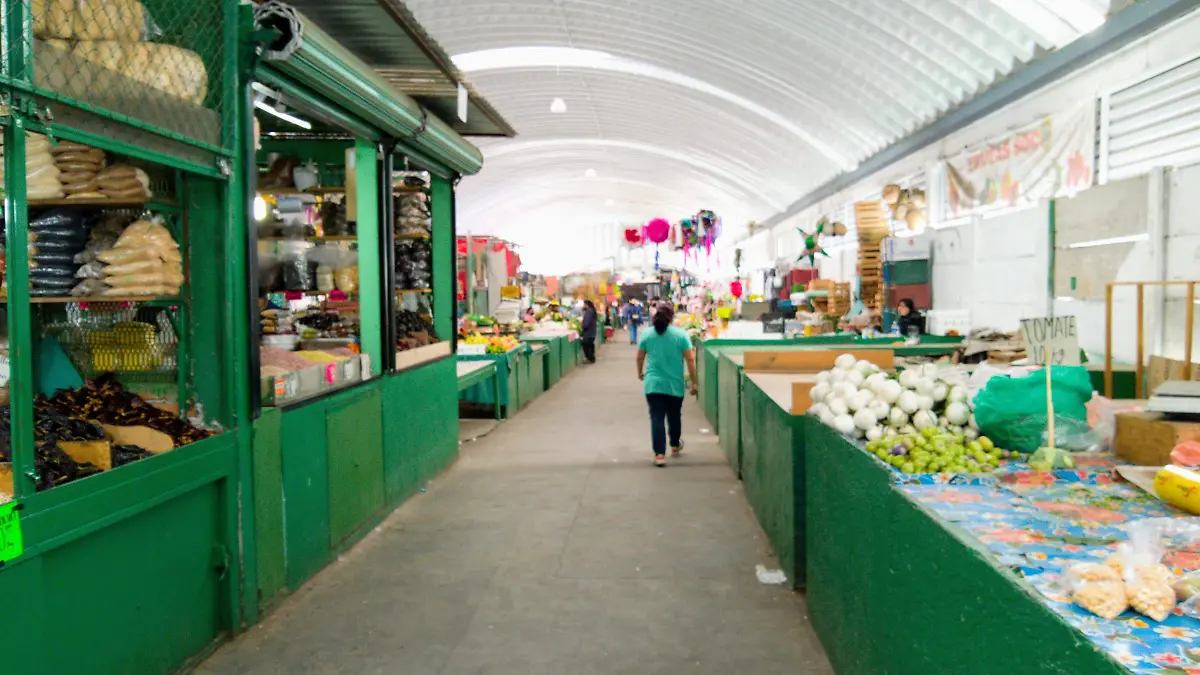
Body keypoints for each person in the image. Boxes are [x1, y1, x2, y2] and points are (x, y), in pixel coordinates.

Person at [637, 306, 698, 467]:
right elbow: (690, 360)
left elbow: (639, 357)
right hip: (674, 385)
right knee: (674, 415)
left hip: (653, 384)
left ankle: (659, 454)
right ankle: (675, 445)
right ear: (671, 318)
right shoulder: (680, 335)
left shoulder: (647, 334)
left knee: (656, 417)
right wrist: (694, 382)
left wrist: (640, 372)